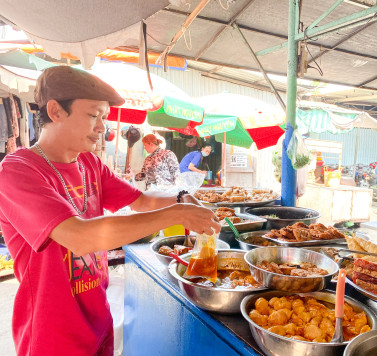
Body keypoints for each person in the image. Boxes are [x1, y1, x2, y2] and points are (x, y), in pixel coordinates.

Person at [0, 66, 220, 356]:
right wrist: (176, 214)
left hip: (98, 322)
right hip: (51, 336)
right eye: (93, 115)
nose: (102, 127)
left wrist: (181, 197)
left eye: (104, 117)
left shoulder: (89, 163)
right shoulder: (18, 171)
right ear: (55, 111)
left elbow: (141, 200)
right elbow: (78, 237)